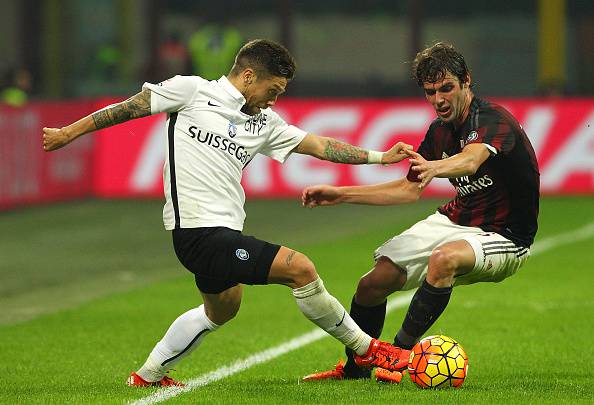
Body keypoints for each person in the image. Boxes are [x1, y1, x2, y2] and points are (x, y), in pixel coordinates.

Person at [42, 39, 413, 387]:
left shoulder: (264, 123)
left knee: (223, 308)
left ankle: (149, 374)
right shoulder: (192, 91)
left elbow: (320, 145)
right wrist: (67, 133)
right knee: (300, 269)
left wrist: (381, 158)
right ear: (249, 76)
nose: (274, 101)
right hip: (198, 233)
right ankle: (367, 351)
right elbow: (127, 108)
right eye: (273, 91)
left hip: (222, 234)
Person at [301, 42, 540, 383]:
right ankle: (355, 371)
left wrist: (436, 167)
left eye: (447, 88)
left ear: (467, 81)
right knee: (372, 284)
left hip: (505, 235)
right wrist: (340, 194)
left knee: (443, 260)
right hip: (456, 219)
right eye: (431, 92)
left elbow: (471, 159)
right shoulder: (439, 131)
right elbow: (407, 189)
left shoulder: (491, 119)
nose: (439, 99)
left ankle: (397, 355)